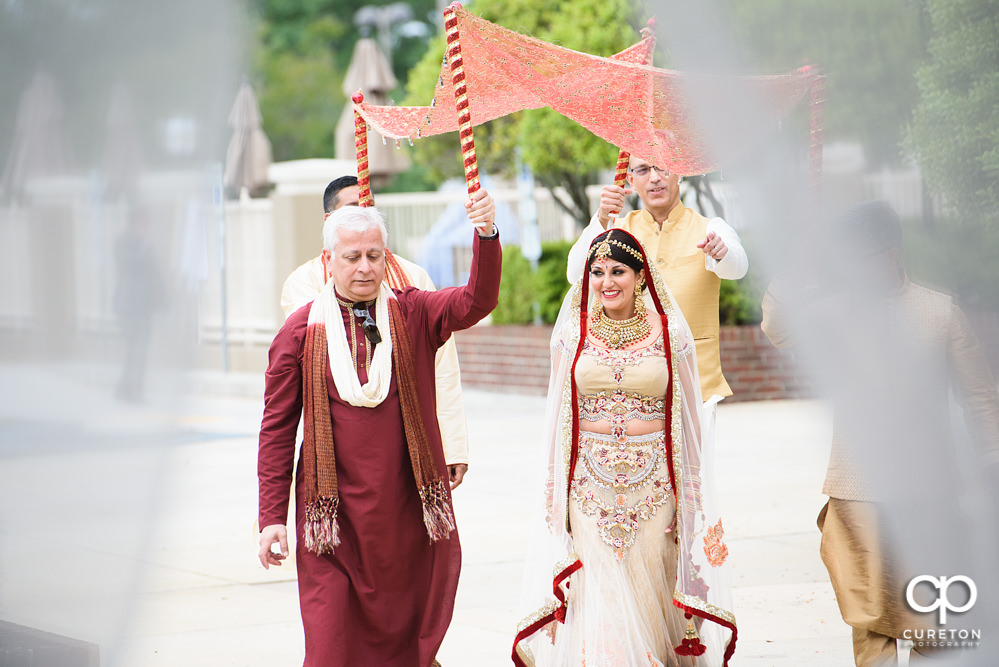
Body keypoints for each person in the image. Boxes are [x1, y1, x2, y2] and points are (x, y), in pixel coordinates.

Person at [257, 192, 500, 667]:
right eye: (352, 257)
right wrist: (270, 517)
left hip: (404, 515)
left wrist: (486, 235)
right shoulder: (300, 330)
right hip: (331, 521)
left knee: (403, 643)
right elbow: (277, 431)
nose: (365, 268)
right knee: (331, 646)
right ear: (329, 260)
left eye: (374, 256)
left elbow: (477, 301)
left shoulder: (414, 312)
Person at [761, 201, 999, 666]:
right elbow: (778, 326)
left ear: (890, 254)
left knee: (936, 616)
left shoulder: (940, 312)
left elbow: (981, 399)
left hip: (931, 493)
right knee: (871, 619)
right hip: (856, 489)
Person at [514, 229, 737, 667]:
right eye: (597, 272)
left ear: (640, 276)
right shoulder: (571, 334)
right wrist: (556, 494)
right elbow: (557, 417)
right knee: (602, 589)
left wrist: (690, 499)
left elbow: (690, 421)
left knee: (648, 588)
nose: (606, 281)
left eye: (618, 271)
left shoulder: (671, 333)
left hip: (654, 487)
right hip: (588, 487)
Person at [281, 175, 471, 489]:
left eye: (370, 209)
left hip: (410, 436)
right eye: (354, 209)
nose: (364, 216)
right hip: (342, 444)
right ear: (329, 221)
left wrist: (452, 445)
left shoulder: (413, 276)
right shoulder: (304, 284)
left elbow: (443, 367)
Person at [565, 157, 749, 406]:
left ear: (679, 172)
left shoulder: (710, 228)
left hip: (696, 380)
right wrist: (600, 219)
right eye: (642, 169)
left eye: (662, 166)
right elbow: (575, 274)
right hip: (633, 380)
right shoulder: (618, 230)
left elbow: (738, 267)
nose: (654, 177)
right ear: (631, 180)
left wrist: (721, 253)